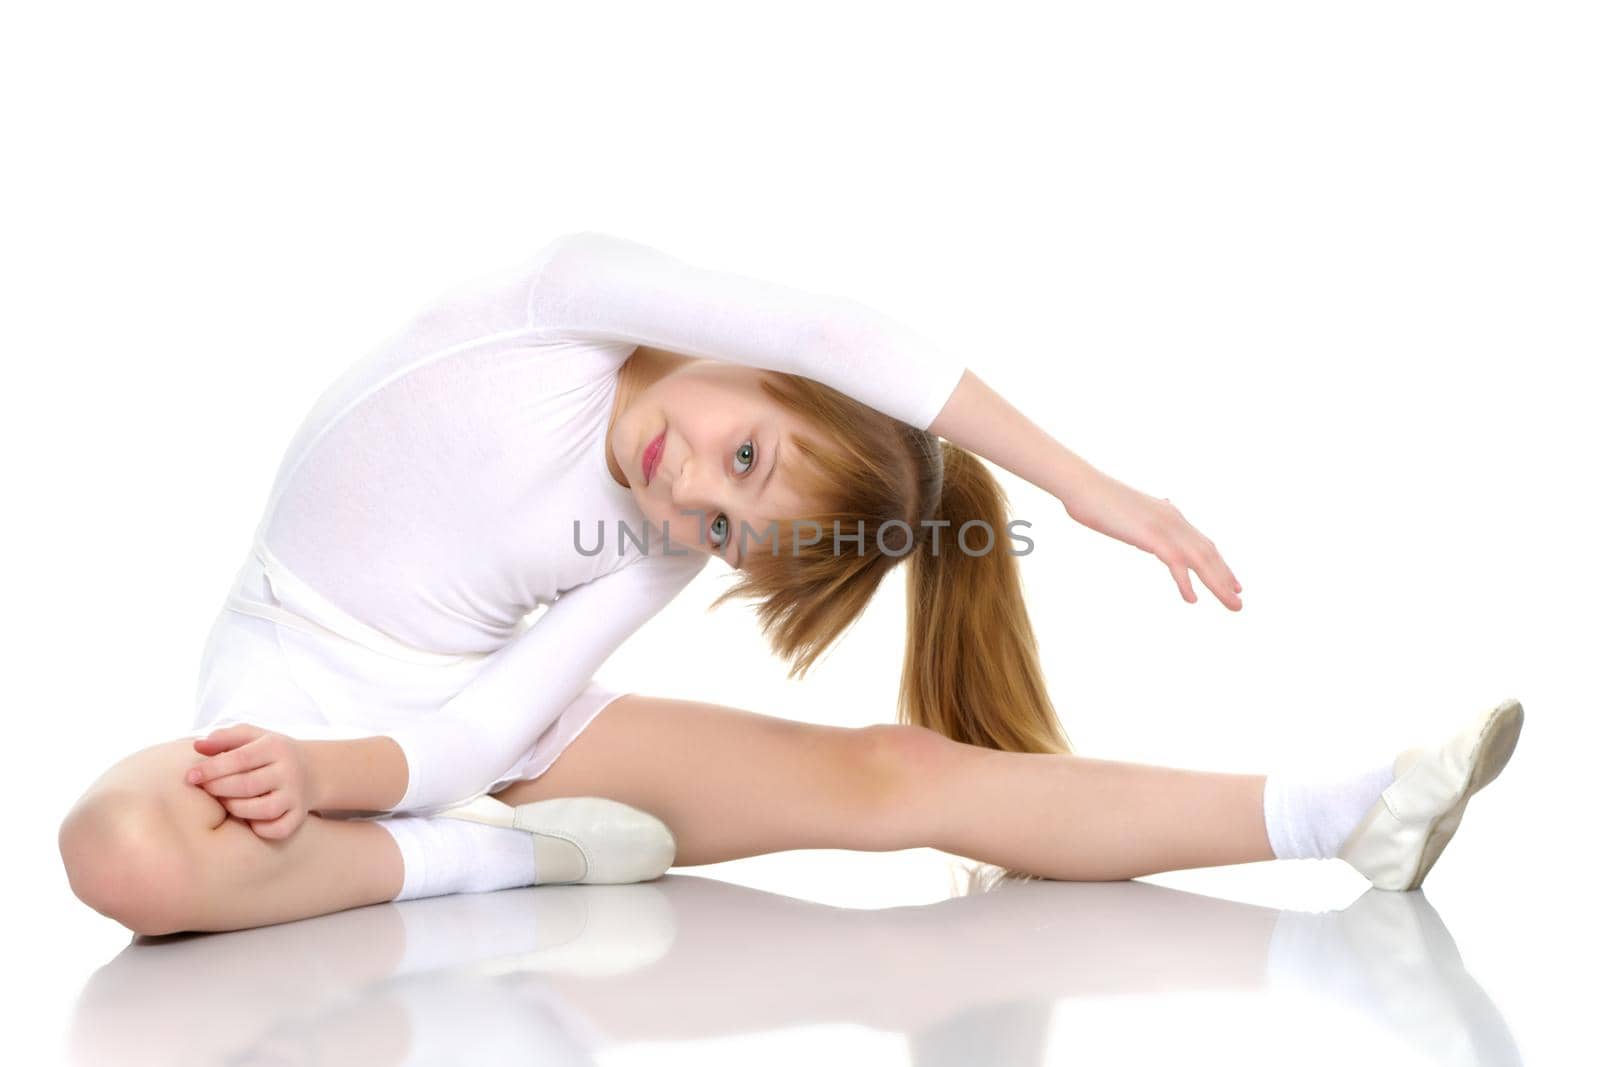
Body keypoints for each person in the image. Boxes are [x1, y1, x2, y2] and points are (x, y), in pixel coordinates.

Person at [57, 232, 1525, 936]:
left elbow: (484, 731)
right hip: (293, 677)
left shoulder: (649, 542)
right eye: (745, 456)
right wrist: (1086, 484)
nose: (688, 496)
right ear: (771, 372)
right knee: (123, 852)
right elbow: (844, 322)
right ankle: (512, 861)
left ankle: (1336, 813)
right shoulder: (558, 308)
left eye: (726, 526)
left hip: (455, 729)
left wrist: (350, 775)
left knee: (895, 778)